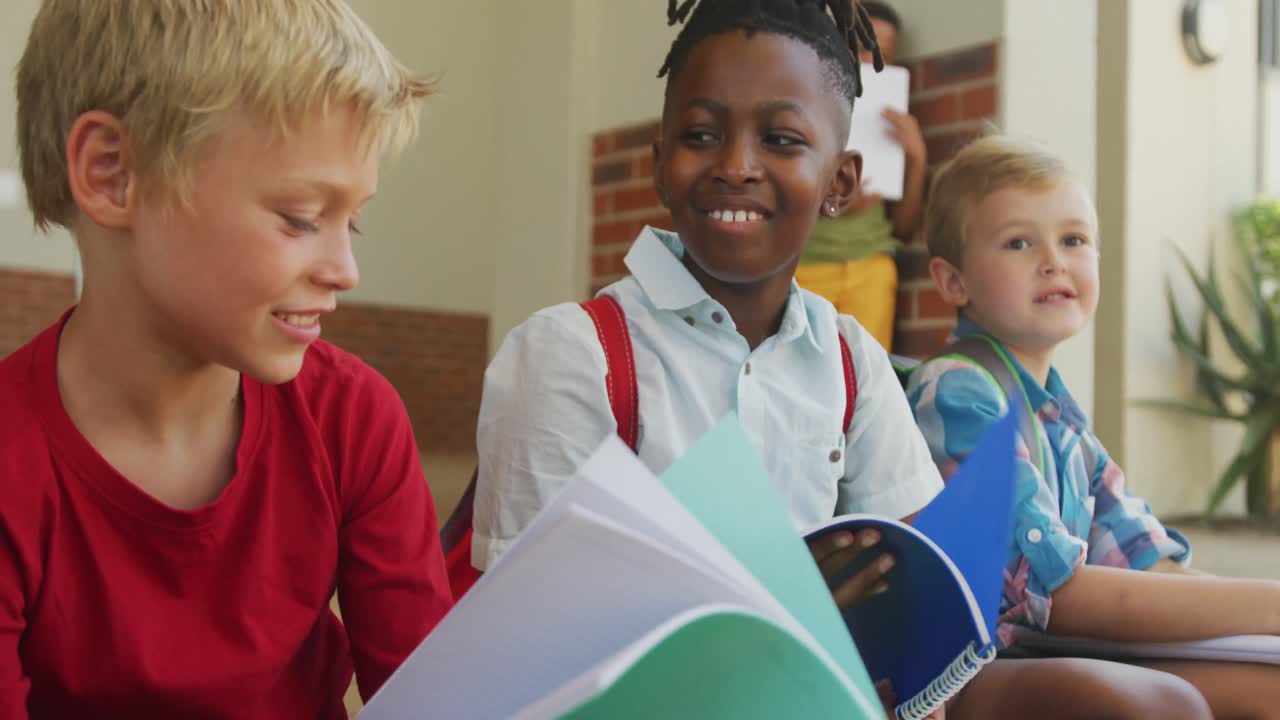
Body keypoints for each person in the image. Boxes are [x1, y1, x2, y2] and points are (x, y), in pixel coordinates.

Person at [474, 2, 944, 712]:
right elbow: (532, 645)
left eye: (781, 139)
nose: (735, 166)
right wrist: (776, 609)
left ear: (840, 184)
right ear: (660, 166)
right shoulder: (572, 355)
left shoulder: (853, 363)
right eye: (701, 134)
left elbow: (908, 603)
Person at [0, 2, 452, 718]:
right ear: (112, 173)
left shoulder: (354, 419)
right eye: (302, 217)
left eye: (352, 220)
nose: (345, 268)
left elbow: (438, 701)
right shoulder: (14, 461)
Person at [908, 134, 1280, 719]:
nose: (1053, 259)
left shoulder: (1063, 423)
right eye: (1019, 242)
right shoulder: (958, 393)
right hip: (970, 673)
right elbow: (1061, 595)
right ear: (954, 281)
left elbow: (1146, 562)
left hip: (1048, 651)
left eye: (1074, 239)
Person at [793, 0, 926, 350]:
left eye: (885, 54)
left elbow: (903, 228)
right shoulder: (802, 107)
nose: (873, 63)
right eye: (864, 49)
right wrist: (832, 203)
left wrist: (917, 156)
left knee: (865, 381)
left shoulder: (890, 120)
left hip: (872, 267)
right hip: (805, 268)